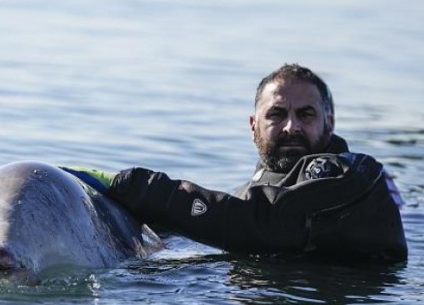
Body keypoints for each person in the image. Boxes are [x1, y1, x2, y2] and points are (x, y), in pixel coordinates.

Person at [63, 64, 407, 264]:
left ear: (329, 123)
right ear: (253, 125)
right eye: (276, 114)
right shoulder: (252, 194)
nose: (291, 127)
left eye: (306, 114)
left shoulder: (352, 177)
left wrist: (131, 186)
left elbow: (262, 223)